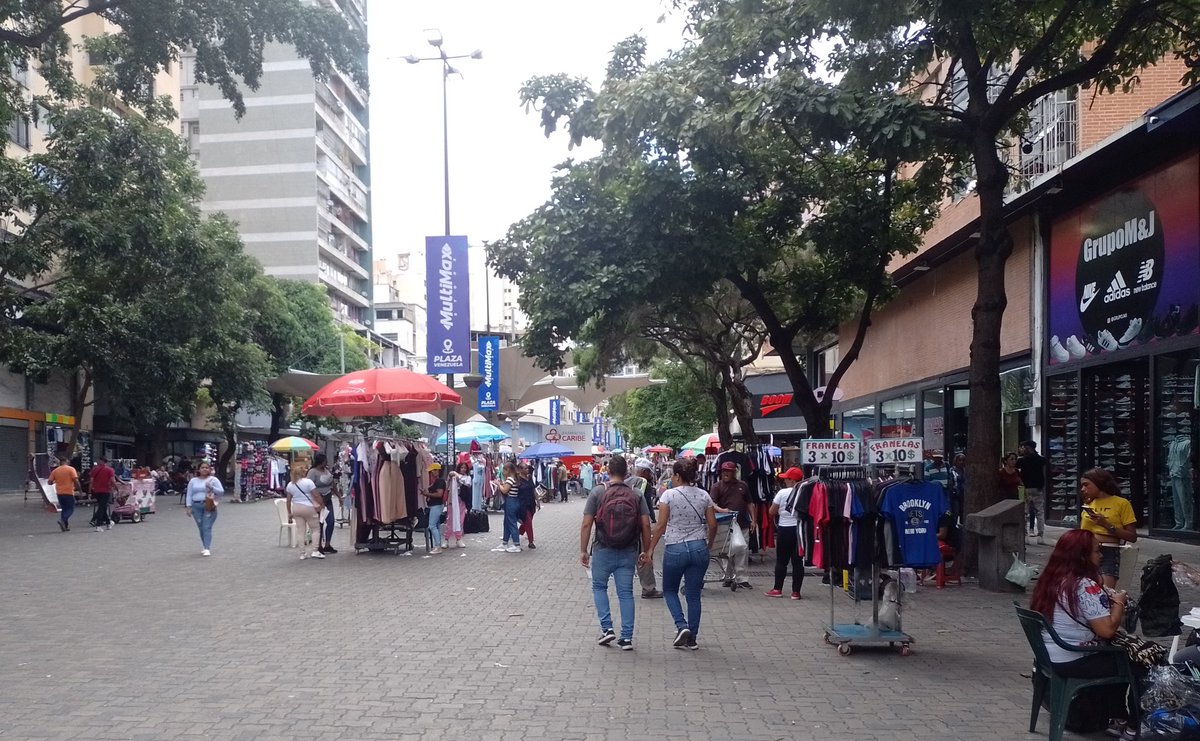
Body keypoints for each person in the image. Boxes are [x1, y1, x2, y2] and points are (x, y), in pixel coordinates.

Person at [1028, 529, 1139, 740]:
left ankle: (1117, 717)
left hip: (1050, 656)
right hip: (1072, 658)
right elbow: (1106, 630)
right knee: (1139, 664)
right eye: (1097, 551)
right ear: (1081, 557)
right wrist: (1119, 603)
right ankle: (1133, 725)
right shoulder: (1083, 585)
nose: (1101, 556)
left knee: (1119, 657)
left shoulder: (1052, 579)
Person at [580, 455, 653, 650]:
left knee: (599, 587)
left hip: (602, 548)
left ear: (609, 472)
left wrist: (583, 550)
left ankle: (607, 629)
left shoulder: (598, 492)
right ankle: (627, 637)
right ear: (626, 472)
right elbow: (646, 524)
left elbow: (586, 523)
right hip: (628, 550)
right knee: (626, 593)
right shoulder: (636, 494)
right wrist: (647, 551)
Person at [646, 458, 718, 650]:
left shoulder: (668, 495)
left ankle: (681, 625)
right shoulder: (704, 495)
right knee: (693, 595)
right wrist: (709, 544)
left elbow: (661, 525)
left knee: (670, 590)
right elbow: (713, 524)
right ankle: (692, 638)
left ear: (677, 476)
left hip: (675, 547)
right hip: (699, 547)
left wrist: (651, 548)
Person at [1079, 468, 1138, 589]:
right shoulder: (1089, 503)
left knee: (1106, 590)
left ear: (1098, 483)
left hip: (1108, 550)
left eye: (1086, 485)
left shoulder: (1121, 503)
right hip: (1087, 549)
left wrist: (1106, 524)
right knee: (1086, 589)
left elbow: (1132, 536)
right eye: (1082, 486)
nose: (1083, 489)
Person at [709, 460, 754, 589]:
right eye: (724, 471)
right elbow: (711, 504)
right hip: (725, 523)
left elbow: (750, 503)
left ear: (734, 472)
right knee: (726, 551)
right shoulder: (717, 486)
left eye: (728, 471)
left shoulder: (743, 485)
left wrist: (753, 520)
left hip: (742, 523)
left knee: (742, 550)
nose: (725, 473)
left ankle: (742, 578)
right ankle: (727, 576)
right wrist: (722, 510)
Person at [766, 467, 807, 599]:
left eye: (787, 479)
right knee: (798, 561)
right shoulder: (804, 492)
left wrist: (780, 511)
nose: (785, 481)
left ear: (792, 480)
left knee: (781, 561)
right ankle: (796, 592)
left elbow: (771, 511)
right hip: (799, 530)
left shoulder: (782, 493)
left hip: (784, 529)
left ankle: (777, 589)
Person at [629, 460, 663, 598]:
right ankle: (648, 588)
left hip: (625, 526)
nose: (650, 476)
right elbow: (647, 505)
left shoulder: (626, 481)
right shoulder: (644, 483)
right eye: (649, 472)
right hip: (640, 525)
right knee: (646, 554)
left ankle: (624, 588)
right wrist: (653, 522)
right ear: (644, 471)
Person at [285, 468, 324, 560]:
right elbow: (316, 495)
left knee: (300, 531)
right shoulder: (308, 482)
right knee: (315, 529)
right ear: (303, 473)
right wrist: (321, 504)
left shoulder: (290, 484)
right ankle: (315, 550)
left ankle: (302, 553)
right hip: (308, 507)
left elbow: (288, 500)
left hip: (296, 508)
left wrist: (289, 513)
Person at [185, 461, 223, 556]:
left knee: (206, 526)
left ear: (209, 469)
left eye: (206, 467)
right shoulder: (193, 481)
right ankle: (204, 544)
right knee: (201, 527)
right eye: (202, 467)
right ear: (198, 470)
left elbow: (221, 491)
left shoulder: (213, 480)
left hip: (208, 505)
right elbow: (189, 494)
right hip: (196, 506)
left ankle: (207, 548)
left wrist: (212, 487)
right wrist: (188, 506)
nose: (205, 469)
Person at [1017, 440, 1048, 544]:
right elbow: (1045, 473)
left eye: (1023, 447)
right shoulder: (1042, 460)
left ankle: (1025, 535)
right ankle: (1040, 536)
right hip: (1037, 488)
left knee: (1024, 512)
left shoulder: (1021, 461)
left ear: (1028, 448)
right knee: (1039, 512)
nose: (1022, 449)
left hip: (1024, 488)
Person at [307, 453, 337, 554]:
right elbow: (309, 486)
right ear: (320, 462)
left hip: (328, 499)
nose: (326, 463)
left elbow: (332, 484)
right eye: (325, 461)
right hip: (318, 501)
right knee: (319, 523)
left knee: (331, 521)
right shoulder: (312, 472)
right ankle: (318, 545)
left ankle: (327, 544)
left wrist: (338, 495)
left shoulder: (326, 471)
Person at [492, 462, 522, 553]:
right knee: (507, 522)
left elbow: (505, 490)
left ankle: (516, 544)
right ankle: (505, 542)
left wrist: (498, 484)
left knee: (512, 523)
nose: (503, 472)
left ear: (508, 470)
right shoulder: (515, 479)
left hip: (511, 501)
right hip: (514, 501)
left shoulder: (510, 479)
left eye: (504, 470)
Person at [48, 457, 81, 532]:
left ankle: (65, 526)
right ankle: (62, 520)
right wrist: (80, 490)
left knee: (64, 509)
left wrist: (55, 481)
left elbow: (49, 482)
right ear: (66, 461)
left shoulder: (55, 471)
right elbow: (76, 481)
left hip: (59, 493)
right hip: (69, 492)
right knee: (70, 509)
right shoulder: (71, 469)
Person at [88, 455, 117, 531]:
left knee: (102, 507)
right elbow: (113, 481)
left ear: (100, 461)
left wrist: (89, 491)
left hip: (96, 491)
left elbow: (91, 481)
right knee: (102, 507)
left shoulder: (94, 470)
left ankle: (108, 523)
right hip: (106, 490)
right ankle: (98, 525)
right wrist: (116, 488)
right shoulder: (110, 470)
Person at [446, 461, 472, 548]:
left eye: (465, 468)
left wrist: (458, 479)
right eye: (462, 467)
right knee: (450, 520)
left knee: (460, 520)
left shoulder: (467, 478)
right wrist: (452, 475)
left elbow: (467, 485)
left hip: (461, 501)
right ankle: (446, 539)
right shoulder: (453, 475)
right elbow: (447, 484)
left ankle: (458, 538)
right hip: (452, 500)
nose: (463, 469)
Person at [515, 462, 540, 549]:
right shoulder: (517, 479)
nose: (527, 470)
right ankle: (531, 541)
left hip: (531, 503)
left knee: (528, 521)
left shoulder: (529, 478)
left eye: (527, 468)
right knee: (528, 522)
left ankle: (518, 532)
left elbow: (533, 490)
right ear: (520, 470)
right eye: (525, 468)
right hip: (523, 504)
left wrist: (538, 501)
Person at [426, 463, 448, 554]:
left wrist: (427, 494)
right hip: (435, 505)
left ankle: (438, 546)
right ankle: (438, 544)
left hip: (436, 505)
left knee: (432, 525)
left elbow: (439, 494)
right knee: (436, 526)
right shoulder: (437, 481)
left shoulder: (439, 481)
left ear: (437, 471)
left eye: (433, 471)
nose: (431, 473)